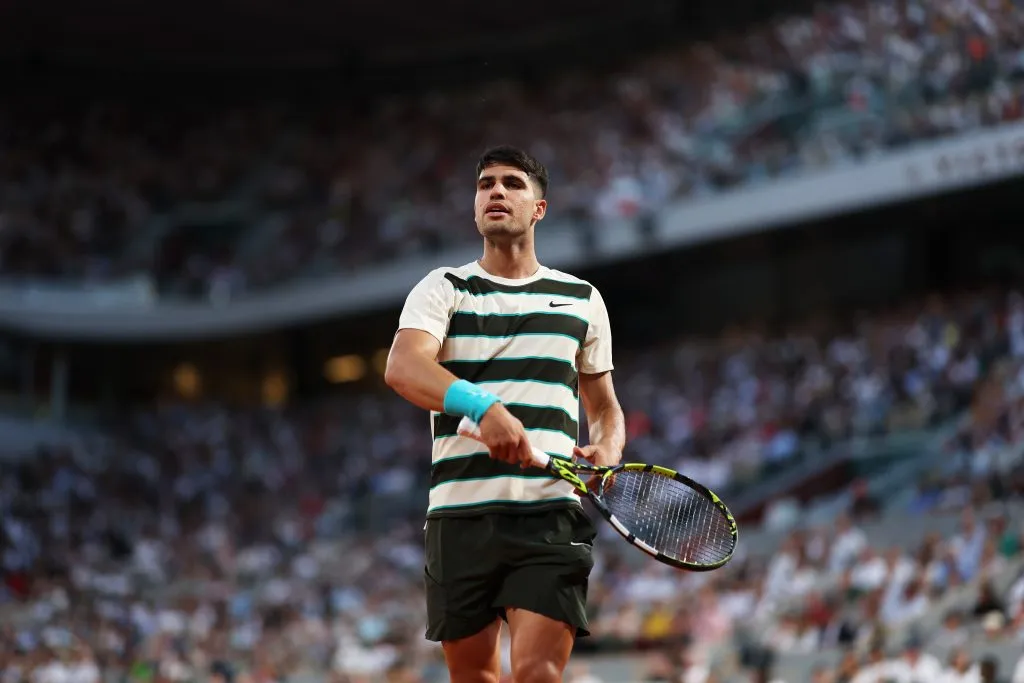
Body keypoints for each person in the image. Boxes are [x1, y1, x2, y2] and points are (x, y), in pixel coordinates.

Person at [385, 145, 626, 683]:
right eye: (485, 184)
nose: (495, 191)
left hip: (548, 514)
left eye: (512, 183)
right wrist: (482, 405)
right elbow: (403, 368)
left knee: (538, 673)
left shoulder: (581, 298)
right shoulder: (443, 287)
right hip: (459, 517)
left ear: (539, 208)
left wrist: (607, 448)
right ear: (474, 207)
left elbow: (604, 407)